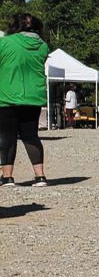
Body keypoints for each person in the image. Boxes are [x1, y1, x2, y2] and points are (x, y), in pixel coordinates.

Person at [0, 12, 49, 187]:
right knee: (31, 136)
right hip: (34, 97)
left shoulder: (4, 43)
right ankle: (40, 176)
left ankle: (7, 177)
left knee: (7, 137)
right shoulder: (43, 46)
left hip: (7, 96)